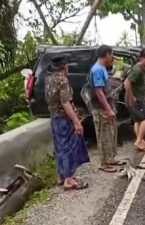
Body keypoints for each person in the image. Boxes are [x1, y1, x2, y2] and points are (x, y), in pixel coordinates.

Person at [45, 55, 89, 190]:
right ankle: (69, 180)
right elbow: (65, 102)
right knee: (68, 147)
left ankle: (62, 176)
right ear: (65, 66)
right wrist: (76, 121)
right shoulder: (63, 81)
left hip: (54, 118)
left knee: (59, 147)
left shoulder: (48, 79)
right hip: (64, 118)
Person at [87, 45, 119, 173]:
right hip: (101, 109)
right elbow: (99, 91)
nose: (112, 57)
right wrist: (108, 109)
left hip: (107, 107)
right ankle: (104, 163)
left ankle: (110, 159)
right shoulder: (97, 70)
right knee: (103, 134)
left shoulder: (103, 68)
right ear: (107, 54)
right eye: (111, 54)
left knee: (110, 133)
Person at [124, 48, 145, 151]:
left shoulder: (143, 68)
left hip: (139, 97)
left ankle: (140, 140)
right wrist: (131, 98)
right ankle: (138, 142)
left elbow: (140, 84)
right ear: (142, 58)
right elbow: (127, 84)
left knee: (138, 120)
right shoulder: (137, 69)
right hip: (135, 99)